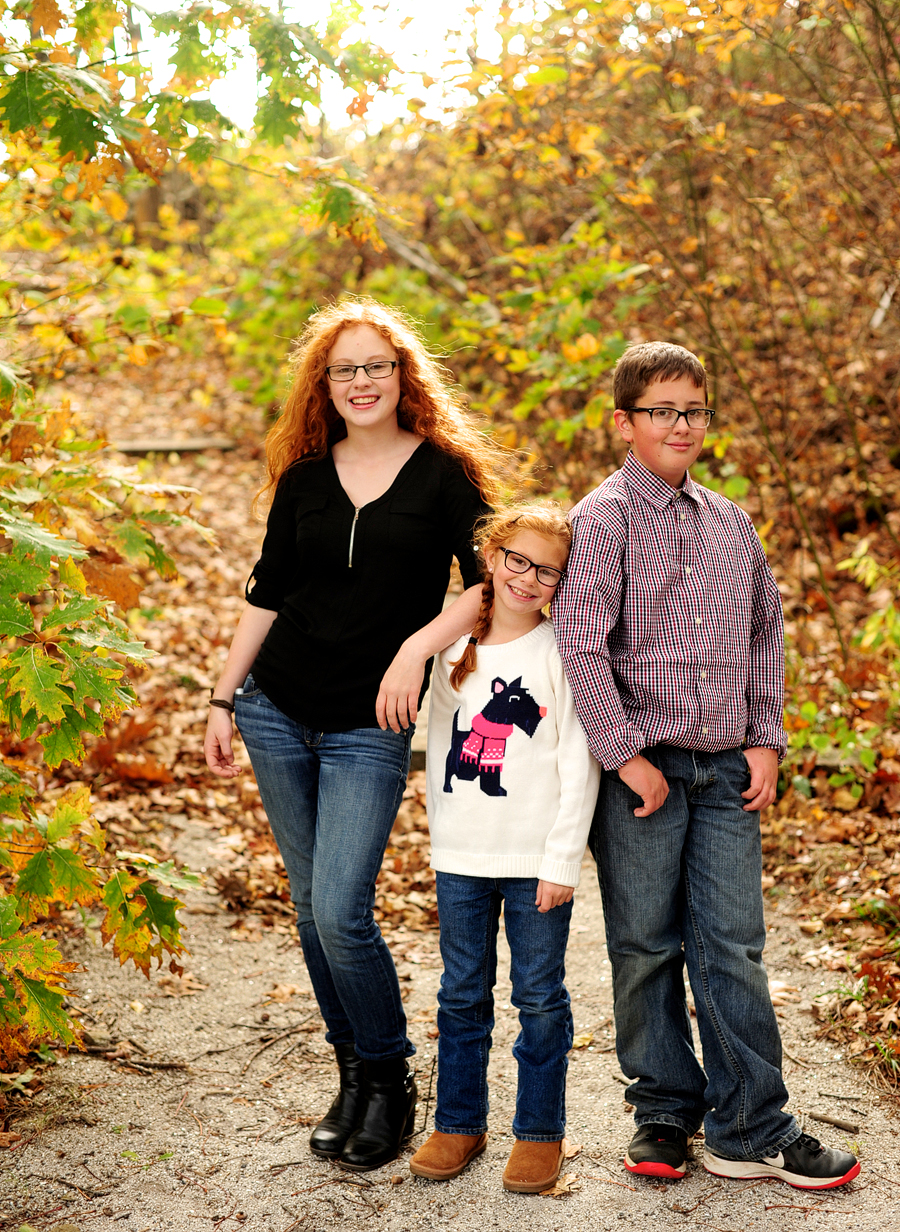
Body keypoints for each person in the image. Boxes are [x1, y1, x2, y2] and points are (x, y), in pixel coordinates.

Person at [552, 341, 860, 1190]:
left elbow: (767, 628)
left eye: (694, 411)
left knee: (732, 943)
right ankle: (663, 1108)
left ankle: (749, 1122)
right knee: (645, 944)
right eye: (663, 412)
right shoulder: (601, 520)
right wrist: (624, 754)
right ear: (625, 423)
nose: (682, 426)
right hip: (642, 774)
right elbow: (581, 645)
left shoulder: (732, 522)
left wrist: (766, 734)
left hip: (725, 768)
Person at [203, 298, 501, 1173]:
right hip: (277, 707)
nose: (362, 381)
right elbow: (266, 593)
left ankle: (390, 1075)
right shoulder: (303, 479)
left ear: (403, 377)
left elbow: (491, 585)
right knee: (309, 910)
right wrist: (223, 699)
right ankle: (353, 1079)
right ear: (323, 386)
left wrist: (415, 649)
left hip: (373, 721)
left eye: (377, 366)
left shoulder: (444, 475)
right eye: (345, 370)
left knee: (340, 909)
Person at [408, 506, 600, 1193]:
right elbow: (431, 744)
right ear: (490, 557)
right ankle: (459, 1122)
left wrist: (560, 862)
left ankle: (539, 1133)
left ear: (561, 582)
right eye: (516, 559)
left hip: (531, 865)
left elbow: (579, 764)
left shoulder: (560, 654)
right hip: (461, 856)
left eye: (546, 569)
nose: (528, 577)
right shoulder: (450, 649)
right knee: (461, 994)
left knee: (539, 997)